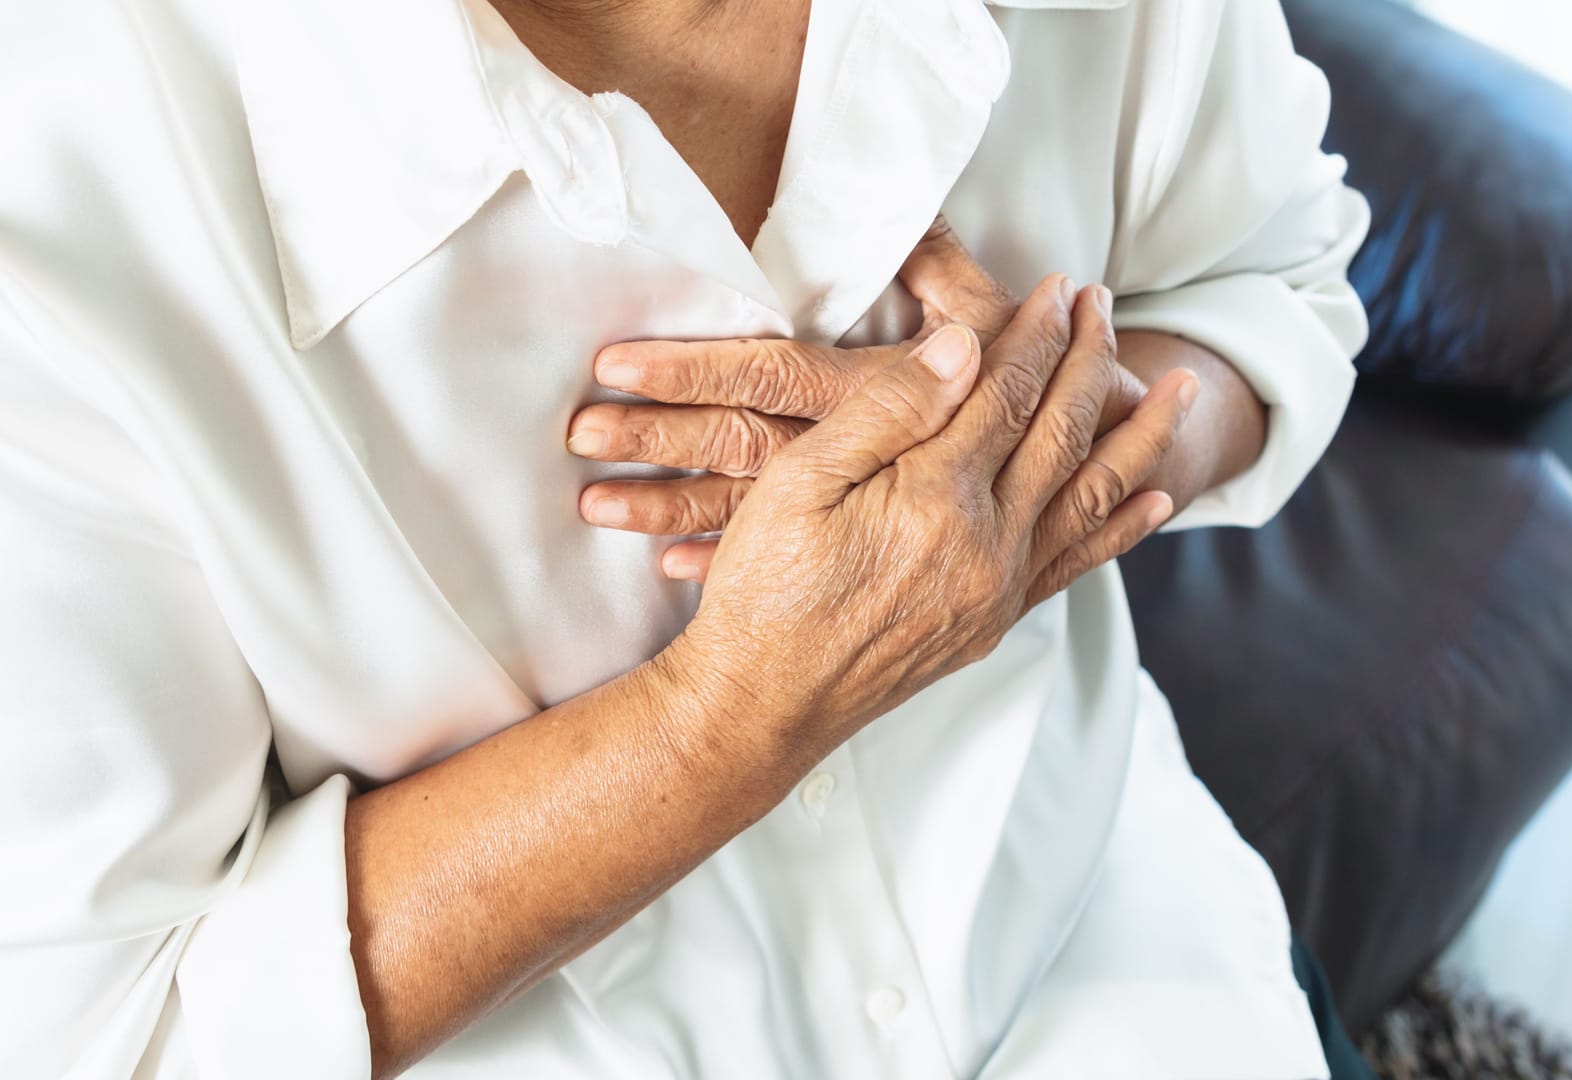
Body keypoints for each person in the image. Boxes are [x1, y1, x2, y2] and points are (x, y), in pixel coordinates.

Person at [0, 0, 1373, 1076]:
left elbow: (1278, 280)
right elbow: (121, 1026)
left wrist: (1043, 458)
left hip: (1123, 947)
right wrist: (719, 723)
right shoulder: (55, 202)